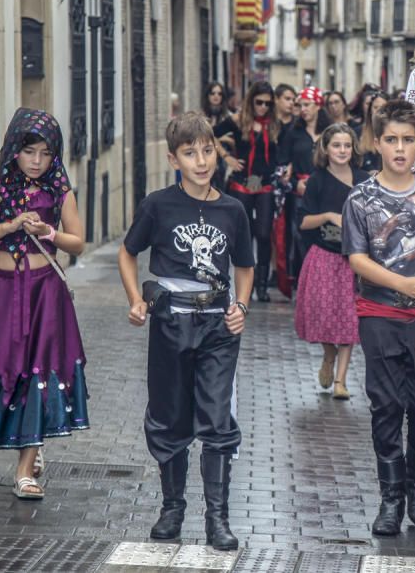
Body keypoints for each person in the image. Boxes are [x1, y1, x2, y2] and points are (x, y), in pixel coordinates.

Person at [118, 112, 253, 550]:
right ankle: (172, 509)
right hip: (170, 322)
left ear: (216, 150)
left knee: (216, 417)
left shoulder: (232, 209)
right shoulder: (158, 204)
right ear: (174, 158)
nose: (201, 160)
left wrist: (242, 308)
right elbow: (127, 252)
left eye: (207, 150)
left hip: (217, 323)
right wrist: (135, 301)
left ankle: (218, 519)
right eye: (190, 153)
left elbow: (245, 267)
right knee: (169, 415)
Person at [342, 99, 415, 536]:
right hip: (380, 314)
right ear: (376, 142)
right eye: (390, 139)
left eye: (408, 140)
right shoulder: (361, 197)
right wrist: (400, 283)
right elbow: (356, 258)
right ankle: (390, 500)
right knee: (386, 405)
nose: (399, 148)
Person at [0, 108, 88, 501]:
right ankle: (29, 446)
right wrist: (11, 226)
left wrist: (48, 231)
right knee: (5, 368)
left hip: (44, 291)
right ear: (14, 148)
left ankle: (25, 468)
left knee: (38, 371)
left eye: (46, 154)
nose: (37, 161)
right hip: (2, 291)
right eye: (30, 151)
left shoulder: (60, 189)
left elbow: (77, 241)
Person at [295, 125, 369, 400]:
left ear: (353, 149)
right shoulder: (317, 181)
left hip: (355, 259)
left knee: (350, 318)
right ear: (326, 148)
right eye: (336, 145)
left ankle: (341, 380)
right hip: (324, 256)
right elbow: (302, 222)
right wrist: (328, 215)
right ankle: (329, 354)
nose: (342, 151)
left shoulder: (363, 181)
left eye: (346, 145)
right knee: (324, 315)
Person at [216, 81, 280, 303]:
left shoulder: (274, 124)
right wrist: (227, 158)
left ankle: (261, 286)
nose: (262, 107)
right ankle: (245, 286)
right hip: (242, 183)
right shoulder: (237, 120)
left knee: (263, 234)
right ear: (251, 100)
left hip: (265, 184)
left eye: (267, 104)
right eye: (258, 102)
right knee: (244, 235)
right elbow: (210, 134)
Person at [280, 87, 330, 284]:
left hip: (325, 191)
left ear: (318, 106)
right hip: (300, 193)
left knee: (324, 236)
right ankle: (304, 281)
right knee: (300, 236)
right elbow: (281, 165)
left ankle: (323, 281)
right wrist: (294, 183)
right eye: (300, 105)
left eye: (307, 105)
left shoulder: (329, 132)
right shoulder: (293, 133)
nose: (303, 109)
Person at [359, 91, 389, 174]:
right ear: (370, 110)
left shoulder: (396, 133)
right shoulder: (358, 132)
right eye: (375, 107)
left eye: (383, 107)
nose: (379, 111)